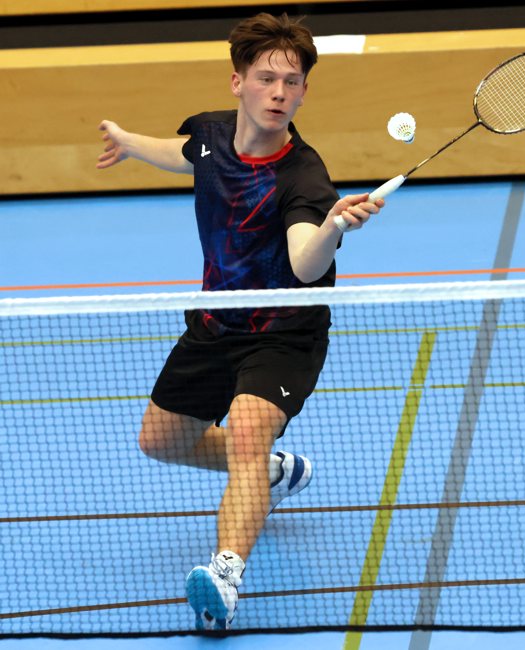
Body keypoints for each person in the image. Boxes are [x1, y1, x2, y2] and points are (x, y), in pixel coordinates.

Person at [96, 12, 384, 631]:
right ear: (238, 83)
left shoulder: (302, 174)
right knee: (160, 441)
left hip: (285, 327)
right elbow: (186, 154)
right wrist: (127, 139)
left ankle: (224, 580)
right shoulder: (211, 134)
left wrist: (333, 224)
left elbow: (305, 265)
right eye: (267, 78)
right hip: (217, 320)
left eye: (293, 82)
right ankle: (273, 475)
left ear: (304, 91)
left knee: (250, 431)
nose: (280, 92)